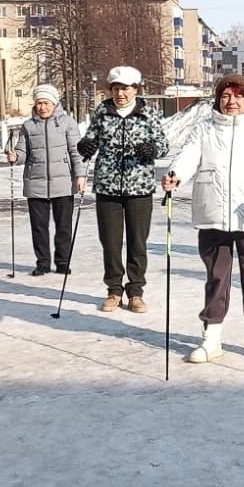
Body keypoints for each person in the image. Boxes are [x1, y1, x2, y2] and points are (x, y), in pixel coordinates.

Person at [162, 74, 244, 364]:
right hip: (213, 215)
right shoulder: (204, 129)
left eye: (237, 95)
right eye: (225, 96)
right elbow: (188, 156)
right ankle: (211, 339)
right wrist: (176, 175)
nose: (231, 101)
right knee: (216, 277)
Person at [78, 66, 168, 314]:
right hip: (107, 187)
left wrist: (152, 149)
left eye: (125, 89)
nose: (120, 94)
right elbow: (91, 138)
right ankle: (114, 290)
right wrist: (86, 146)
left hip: (139, 187)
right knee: (110, 241)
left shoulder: (149, 113)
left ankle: (136, 291)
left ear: (136, 89)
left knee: (138, 242)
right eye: (116, 88)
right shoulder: (103, 111)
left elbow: (163, 144)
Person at [9, 84, 87, 276]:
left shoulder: (68, 123)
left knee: (63, 226)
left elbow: (76, 152)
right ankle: (42, 263)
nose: (42, 107)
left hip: (63, 183)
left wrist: (81, 175)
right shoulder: (28, 126)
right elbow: (22, 151)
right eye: (39, 103)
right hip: (36, 182)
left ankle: (62, 262)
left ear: (54, 103)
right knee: (38, 226)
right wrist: (15, 157)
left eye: (46, 103)